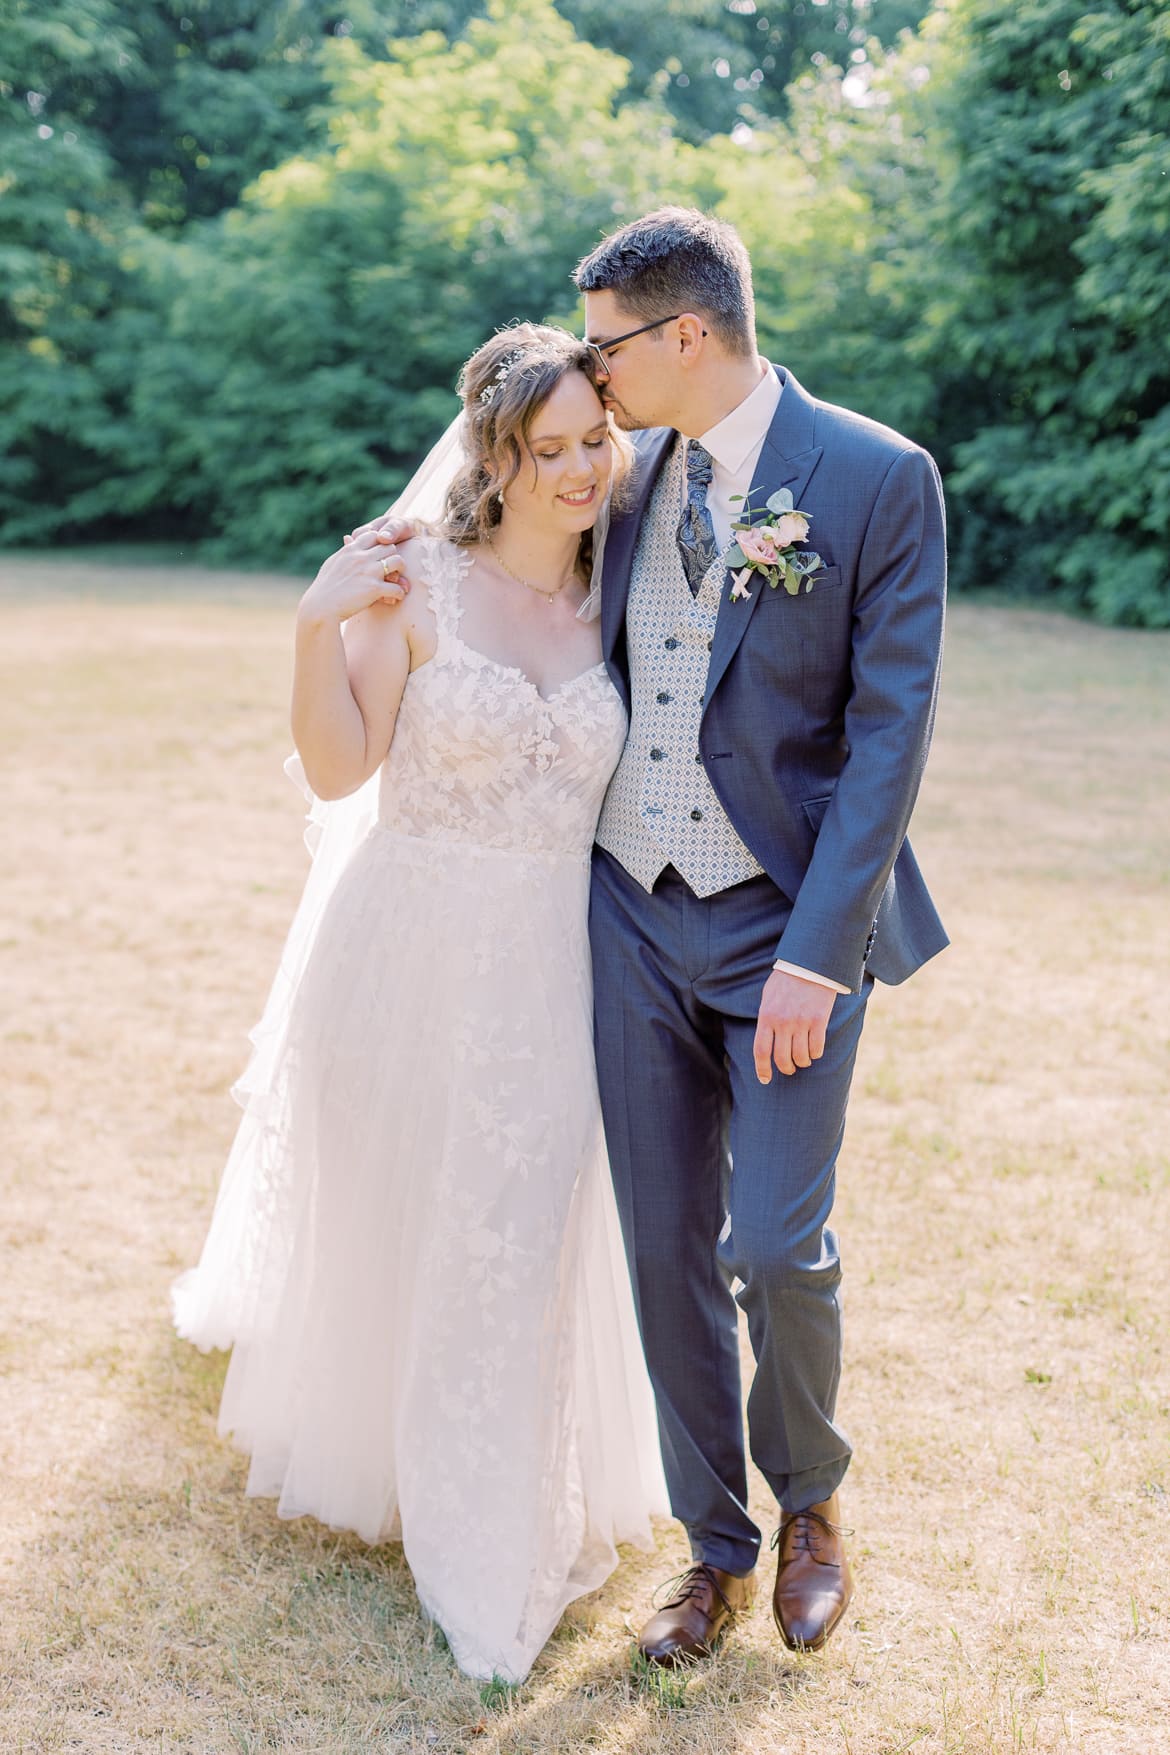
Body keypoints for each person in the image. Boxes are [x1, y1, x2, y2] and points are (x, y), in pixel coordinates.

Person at [172, 322, 667, 1685]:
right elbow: (340, 770)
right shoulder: (418, 586)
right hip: (405, 950)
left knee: (512, 1232)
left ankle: (496, 1511)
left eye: (593, 442)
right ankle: (405, 1465)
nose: (578, 469)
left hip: (551, 964)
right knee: (408, 1214)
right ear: (494, 457)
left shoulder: (622, 594)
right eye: (547, 447)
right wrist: (312, 627)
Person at [570, 207, 949, 1663]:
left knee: (774, 1246)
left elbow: (887, 732)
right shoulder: (618, 473)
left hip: (783, 927)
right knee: (661, 1246)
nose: (590, 375)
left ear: (684, 335)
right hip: (625, 911)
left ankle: (809, 1506)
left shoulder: (870, 475)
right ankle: (710, 1554)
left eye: (605, 345)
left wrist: (814, 952)